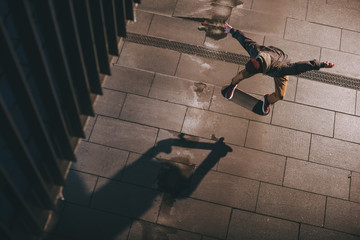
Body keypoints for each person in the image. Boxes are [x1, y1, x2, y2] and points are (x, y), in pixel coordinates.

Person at [221, 22, 334, 115]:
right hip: (268, 55)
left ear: (260, 71)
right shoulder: (255, 52)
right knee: (241, 75)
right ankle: (233, 85)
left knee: (280, 96)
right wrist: (231, 30)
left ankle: (268, 100)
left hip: (279, 66)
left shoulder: (282, 69)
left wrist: (322, 64)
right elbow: (245, 40)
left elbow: (300, 66)